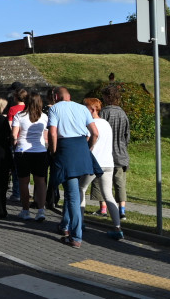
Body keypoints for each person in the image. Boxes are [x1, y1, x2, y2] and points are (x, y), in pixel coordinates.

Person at [47, 86, 99, 248]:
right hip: (82, 149)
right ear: (69, 96)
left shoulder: (54, 109)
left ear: (56, 96)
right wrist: (88, 147)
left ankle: (76, 236)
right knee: (72, 193)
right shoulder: (82, 108)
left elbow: (53, 133)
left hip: (66, 150)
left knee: (73, 195)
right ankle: (65, 225)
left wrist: (54, 151)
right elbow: (95, 133)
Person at [78, 98, 123, 240]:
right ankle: (117, 227)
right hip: (108, 163)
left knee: (81, 189)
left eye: (85, 108)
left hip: (93, 162)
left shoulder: (89, 124)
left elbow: (86, 140)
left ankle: (80, 223)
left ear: (92, 109)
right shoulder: (106, 124)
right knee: (108, 195)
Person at [93, 84, 131, 220]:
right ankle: (122, 210)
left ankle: (103, 208)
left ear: (107, 97)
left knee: (101, 181)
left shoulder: (103, 113)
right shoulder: (122, 113)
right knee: (120, 182)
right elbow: (127, 135)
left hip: (106, 153)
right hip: (121, 153)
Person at [12, 91, 49, 222]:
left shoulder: (19, 115)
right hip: (40, 151)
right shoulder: (44, 117)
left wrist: (14, 143)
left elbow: (14, 135)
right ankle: (41, 210)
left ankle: (26, 210)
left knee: (24, 182)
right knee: (40, 182)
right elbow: (45, 137)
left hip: (23, 151)